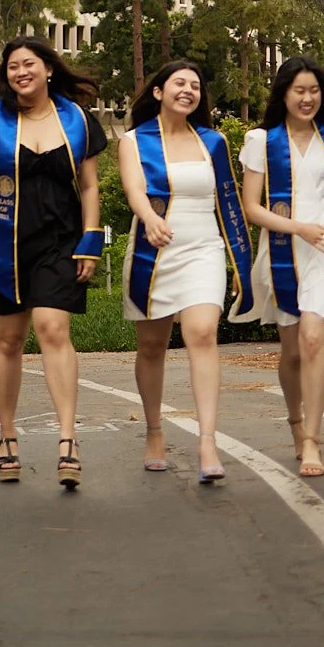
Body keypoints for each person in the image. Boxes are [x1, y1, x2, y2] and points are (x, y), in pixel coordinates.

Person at [0, 37, 107, 489]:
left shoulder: (77, 119)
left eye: (29, 63)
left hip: (61, 236)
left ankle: (68, 439)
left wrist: (92, 239)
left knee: (53, 328)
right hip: (4, 237)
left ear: (48, 69)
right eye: (13, 66)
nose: (21, 72)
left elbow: (89, 185)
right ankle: (7, 435)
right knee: (9, 339)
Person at [238, 57, 324, 479]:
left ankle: (314, 439)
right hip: (285, 248)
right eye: (299, 90)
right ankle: (295, 422)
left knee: (315, 339)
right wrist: (299, 228)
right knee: (293, 351)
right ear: (284, 94)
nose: (307, 98)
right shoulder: (261, 141)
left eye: (314, 90)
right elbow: (251, 208)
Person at [121, 59, 253, 484]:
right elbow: (134, 190)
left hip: (203, 248)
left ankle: (207, 441)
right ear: (159, 92)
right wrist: (149, 218)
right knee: (152, 347)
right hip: (154, 250)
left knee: (202, 333)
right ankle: (154, 431)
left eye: (195, 85)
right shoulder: (134, 140)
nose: (188, 90)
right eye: (179, 83)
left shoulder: (213, 142)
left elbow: (228, 201)